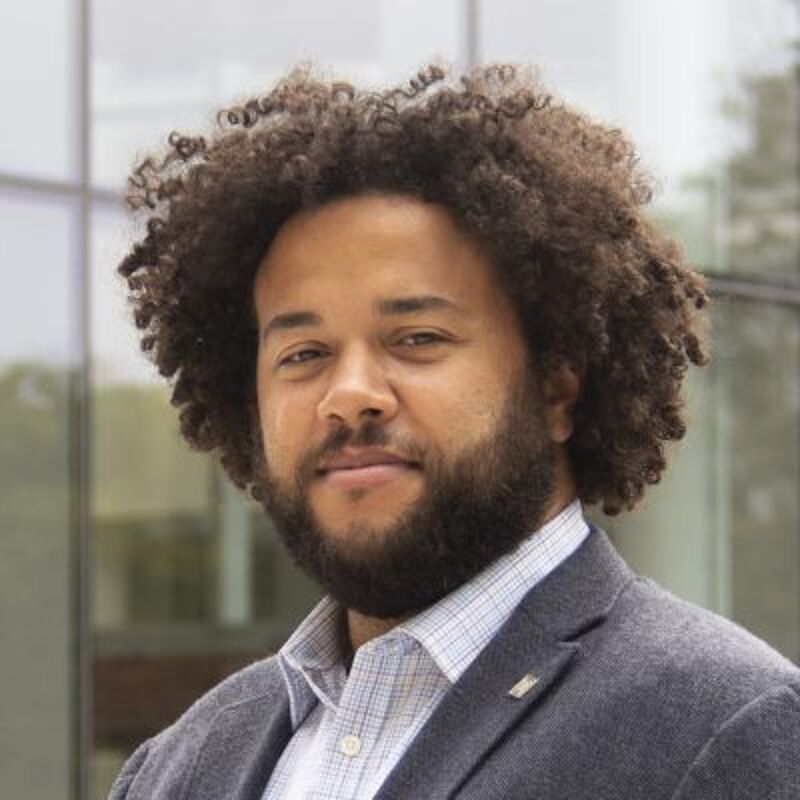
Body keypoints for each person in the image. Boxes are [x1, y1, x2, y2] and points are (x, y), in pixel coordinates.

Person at [109, 64, 800, 799]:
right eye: (304, 354)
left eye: (417, 338)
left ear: (557, 387)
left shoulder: (722, 727)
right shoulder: (178, 768)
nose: (349, 396)